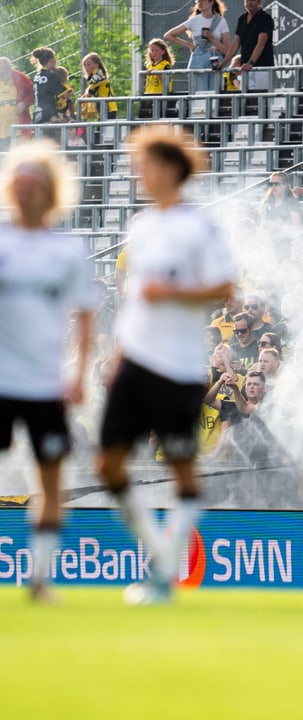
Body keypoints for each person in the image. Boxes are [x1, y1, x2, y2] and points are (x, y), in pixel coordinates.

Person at [97, 126, 237, 605]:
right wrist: (118, 356)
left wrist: (171, 293)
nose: (140, 174)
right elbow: (138, 300)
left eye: (147, 165)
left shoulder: (198, 226)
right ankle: (159, 554)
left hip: (177, 367)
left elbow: (225, 288)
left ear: (172, 170)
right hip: (135, 360)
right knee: (107, 463)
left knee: (183, 472)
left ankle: (163, 574)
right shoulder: (140, 226)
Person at [0, 142, 95, 601]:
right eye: (18, 183)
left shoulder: (66, 251)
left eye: (33, 184)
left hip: (44, 384)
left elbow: (86, 314)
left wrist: (78, 374)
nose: (24, 192)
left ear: (49, 191)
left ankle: (39, 579)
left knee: (51, 481)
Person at [164, 0, 231, 93]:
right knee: (199, 95)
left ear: (211, 2)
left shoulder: (221, 21)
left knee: (215, 95)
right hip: (199, 60)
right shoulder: (194, 20)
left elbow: (227, 50)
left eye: (202, 1)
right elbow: (168, 35)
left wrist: (212, 38)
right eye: (198, 1)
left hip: (216, 62)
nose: (200, 3)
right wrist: (189, 45)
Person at [219, 0, 275, 91]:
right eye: (247, 0)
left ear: (259, 2)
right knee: (246, 100)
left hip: (262, 67)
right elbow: (235, 44)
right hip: (245, 69)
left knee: (262, 98)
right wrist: (222, 64)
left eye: (252, 0)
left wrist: (250, 63)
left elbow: (260, 44)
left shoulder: (265, 18)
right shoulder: (242, 19)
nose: (249, 3)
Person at [0, 57, 34, 149]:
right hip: (1, 130)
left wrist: (24, 103)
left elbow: (33, 92)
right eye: (3, 72)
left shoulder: (20, 77)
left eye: (8, 71)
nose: (6, 74)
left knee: (17, 156)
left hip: (18, 128)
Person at [30, 47, 67, 124]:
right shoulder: (52, 75)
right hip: (49, 115)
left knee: (40, 136)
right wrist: (70, 91)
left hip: (37, 114)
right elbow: (64, 94)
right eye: (55, 58)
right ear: (51, 60)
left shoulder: (37, 76)